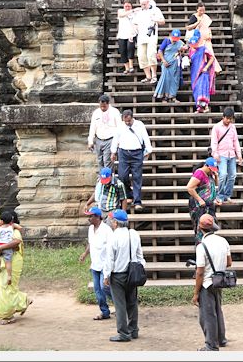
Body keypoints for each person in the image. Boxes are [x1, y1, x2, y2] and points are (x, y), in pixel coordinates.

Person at [103, 209, 145, 342]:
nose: (110, 222)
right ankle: (133, 330)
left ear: (115, 223)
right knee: (132, 303)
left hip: (118, 275)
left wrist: (106, 275)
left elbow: (110, 259)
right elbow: (140, 255)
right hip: (132, 274)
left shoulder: (113, 237)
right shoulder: (133, 234)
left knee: (120, 305)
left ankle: (123, 333)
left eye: (111, 220)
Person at [193, 214, 232, 351]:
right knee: (217, 310)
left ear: (199, 228)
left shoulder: (201, 246)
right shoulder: (223, 241)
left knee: (207, 315)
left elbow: (200, 273)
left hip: (207, 284)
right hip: (219, 281)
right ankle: (221, 339)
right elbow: (229, 263)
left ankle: (211, 345)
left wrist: (196, 293)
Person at [110, 109, 153, 213]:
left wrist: (149, 149)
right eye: (126, 121)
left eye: (129, 121)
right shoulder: (120, 126)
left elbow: (145, 137)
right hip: (124, 153)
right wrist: (113, 151)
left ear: (132, 118)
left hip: (137, 153)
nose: (128, 123)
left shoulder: (139, 125)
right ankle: (129, 194)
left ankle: (137, 201)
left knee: (137, 177)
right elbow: (116, 138)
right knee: (122, 176)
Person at [79, 206, 115, 321]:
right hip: (95, 265)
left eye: (91, 216)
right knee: (98, 290)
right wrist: (85, 254)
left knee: (104, 288)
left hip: (105, 265)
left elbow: (111, 249)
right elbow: (91, 243)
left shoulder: (107, 230)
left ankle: (121, 304)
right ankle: (105, 312)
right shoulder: (90, 229)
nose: (89, 218)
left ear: (98, 217)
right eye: (88, 216)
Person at [210, 107, 243, 206]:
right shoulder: (216, 127)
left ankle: (227, 195)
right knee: (223, 175)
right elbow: (214, 142)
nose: (229, 120)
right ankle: (220, 196)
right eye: (227, 118)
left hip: (231, 154)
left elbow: (235, 141)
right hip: (221, 155)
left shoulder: (232, 127)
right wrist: (215, 154)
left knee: (232, 176)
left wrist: (239, 155)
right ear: (223, 117)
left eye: (231, 119)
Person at [131, 0, 165, 84]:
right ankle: (148, 76)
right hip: (141, 36)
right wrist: (134, 31)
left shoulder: (155, 10)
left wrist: (155, 19)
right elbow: (134, 23)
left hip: (151, 36)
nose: (143, 6)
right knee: (141, 56)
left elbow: (163, 21)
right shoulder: (139, 12)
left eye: (144, 4)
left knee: (151, 55)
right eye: (141, 4)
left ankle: (154, 75)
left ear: (148, 2)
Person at [186, 157, 219, 245]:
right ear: (206, 165)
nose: (212, 171)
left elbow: (215, 185)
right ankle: (201, 248)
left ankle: (209, 246)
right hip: (199, 206)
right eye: (211, 169)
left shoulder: (209, 173)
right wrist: (200, 200)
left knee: (210, 226)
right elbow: (189, 188)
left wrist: (216, 176)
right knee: (200, 228)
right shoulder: (199, 173)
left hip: (209, 205)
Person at [88, 93, 122, 171]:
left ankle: (108, 180)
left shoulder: (115, 112)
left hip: (110, 139)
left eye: (104, 106)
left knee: (107, 161)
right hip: (99, 139)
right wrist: (90, 141)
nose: (102, 108)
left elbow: (119, 127)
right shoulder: (96, 112)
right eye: (101, 106)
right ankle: (102, 179)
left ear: (108, 104)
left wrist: (118, 141)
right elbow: (92, 127)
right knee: (100, 161)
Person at [186, 2, 222, 73]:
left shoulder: (205, 16)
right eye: (200, 10)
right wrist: (197, 23)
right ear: (197, 10)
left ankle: (215, 68)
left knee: (210, 53)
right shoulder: (194, 17)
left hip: (206, 39)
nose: (202, 12)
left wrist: (209, 34)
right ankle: (202, 67)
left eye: (203, 10)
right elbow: (188, 28)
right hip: (198, 39)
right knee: (202, 54)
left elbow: (208, 27)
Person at [153, 29, 186, 103]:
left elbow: (183, 51)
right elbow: (160, 51)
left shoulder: (180, 42)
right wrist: (163, 60)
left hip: (175, 63)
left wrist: (182, 49)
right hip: (166, 62)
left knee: (175, 80)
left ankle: (173, 96)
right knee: (165, 79)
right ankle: (164, 97)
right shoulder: (167, 41)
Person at [187, 29, 216, 113]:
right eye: (192, 44)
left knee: (202, 88)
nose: (194, 45)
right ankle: (199, 107)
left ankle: (205, 107)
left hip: (203, 72)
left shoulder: (203, 49)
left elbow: (211, 58)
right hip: (194, 72)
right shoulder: (191, 50)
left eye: (195, 43)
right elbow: (192, 59)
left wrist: (206, 67)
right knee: (196, 89)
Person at [116, 0, 136, 74]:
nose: (127, 7)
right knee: (122, 51)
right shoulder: (120, 11)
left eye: (129, 6)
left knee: (130, 48)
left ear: (131, 6)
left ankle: (131, 66)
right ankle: (126, 68)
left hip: (131, 34)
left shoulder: (134, 13)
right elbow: (121, 15)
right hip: (122, 34)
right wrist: (132, 11)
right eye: (126, 6)